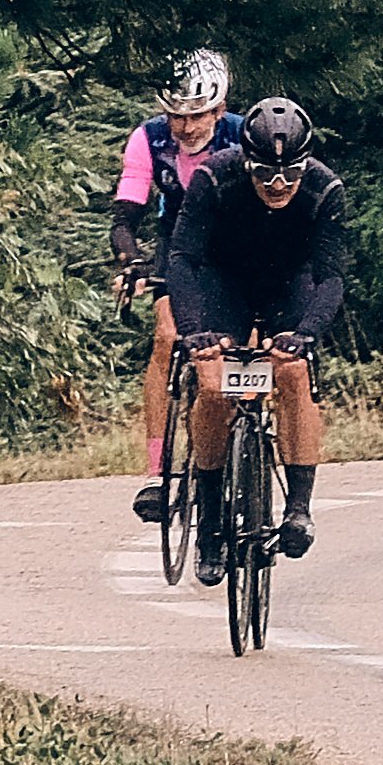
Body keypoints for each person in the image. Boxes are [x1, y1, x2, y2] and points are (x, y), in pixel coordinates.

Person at [156, 96, 354, 558]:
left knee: (292, 373)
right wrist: (193, 330)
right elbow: (183, 259)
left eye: (291, 173)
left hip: (290, 283)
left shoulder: (325, 190)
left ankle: (299, 508)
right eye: (265, 173)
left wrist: (307, 332)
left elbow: (330, 276)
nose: (279, 184)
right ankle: (208, 515)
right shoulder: (213, 178)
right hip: (226, 283)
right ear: (247, 163)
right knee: (212, 384)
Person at [113, 51, 239, 519]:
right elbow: (127, 214)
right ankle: (157, 472)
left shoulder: (244, 136)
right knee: (167, 338)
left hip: (236, 240)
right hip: (178, 242)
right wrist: (133, 259)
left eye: (197, 116)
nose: (185, 128)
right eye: (176, 116)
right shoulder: (148, 139)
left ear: (219, 110)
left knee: (242, 344)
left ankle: (242, 435)